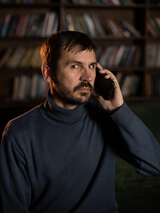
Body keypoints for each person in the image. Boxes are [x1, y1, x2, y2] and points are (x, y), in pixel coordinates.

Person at [0, 30, 160, 213]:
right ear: (47, 72)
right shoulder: (18, 133)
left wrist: (119, 109)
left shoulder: (106, 118)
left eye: (91, 66)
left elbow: (155, 164)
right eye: (75, 66)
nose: (87, 77)